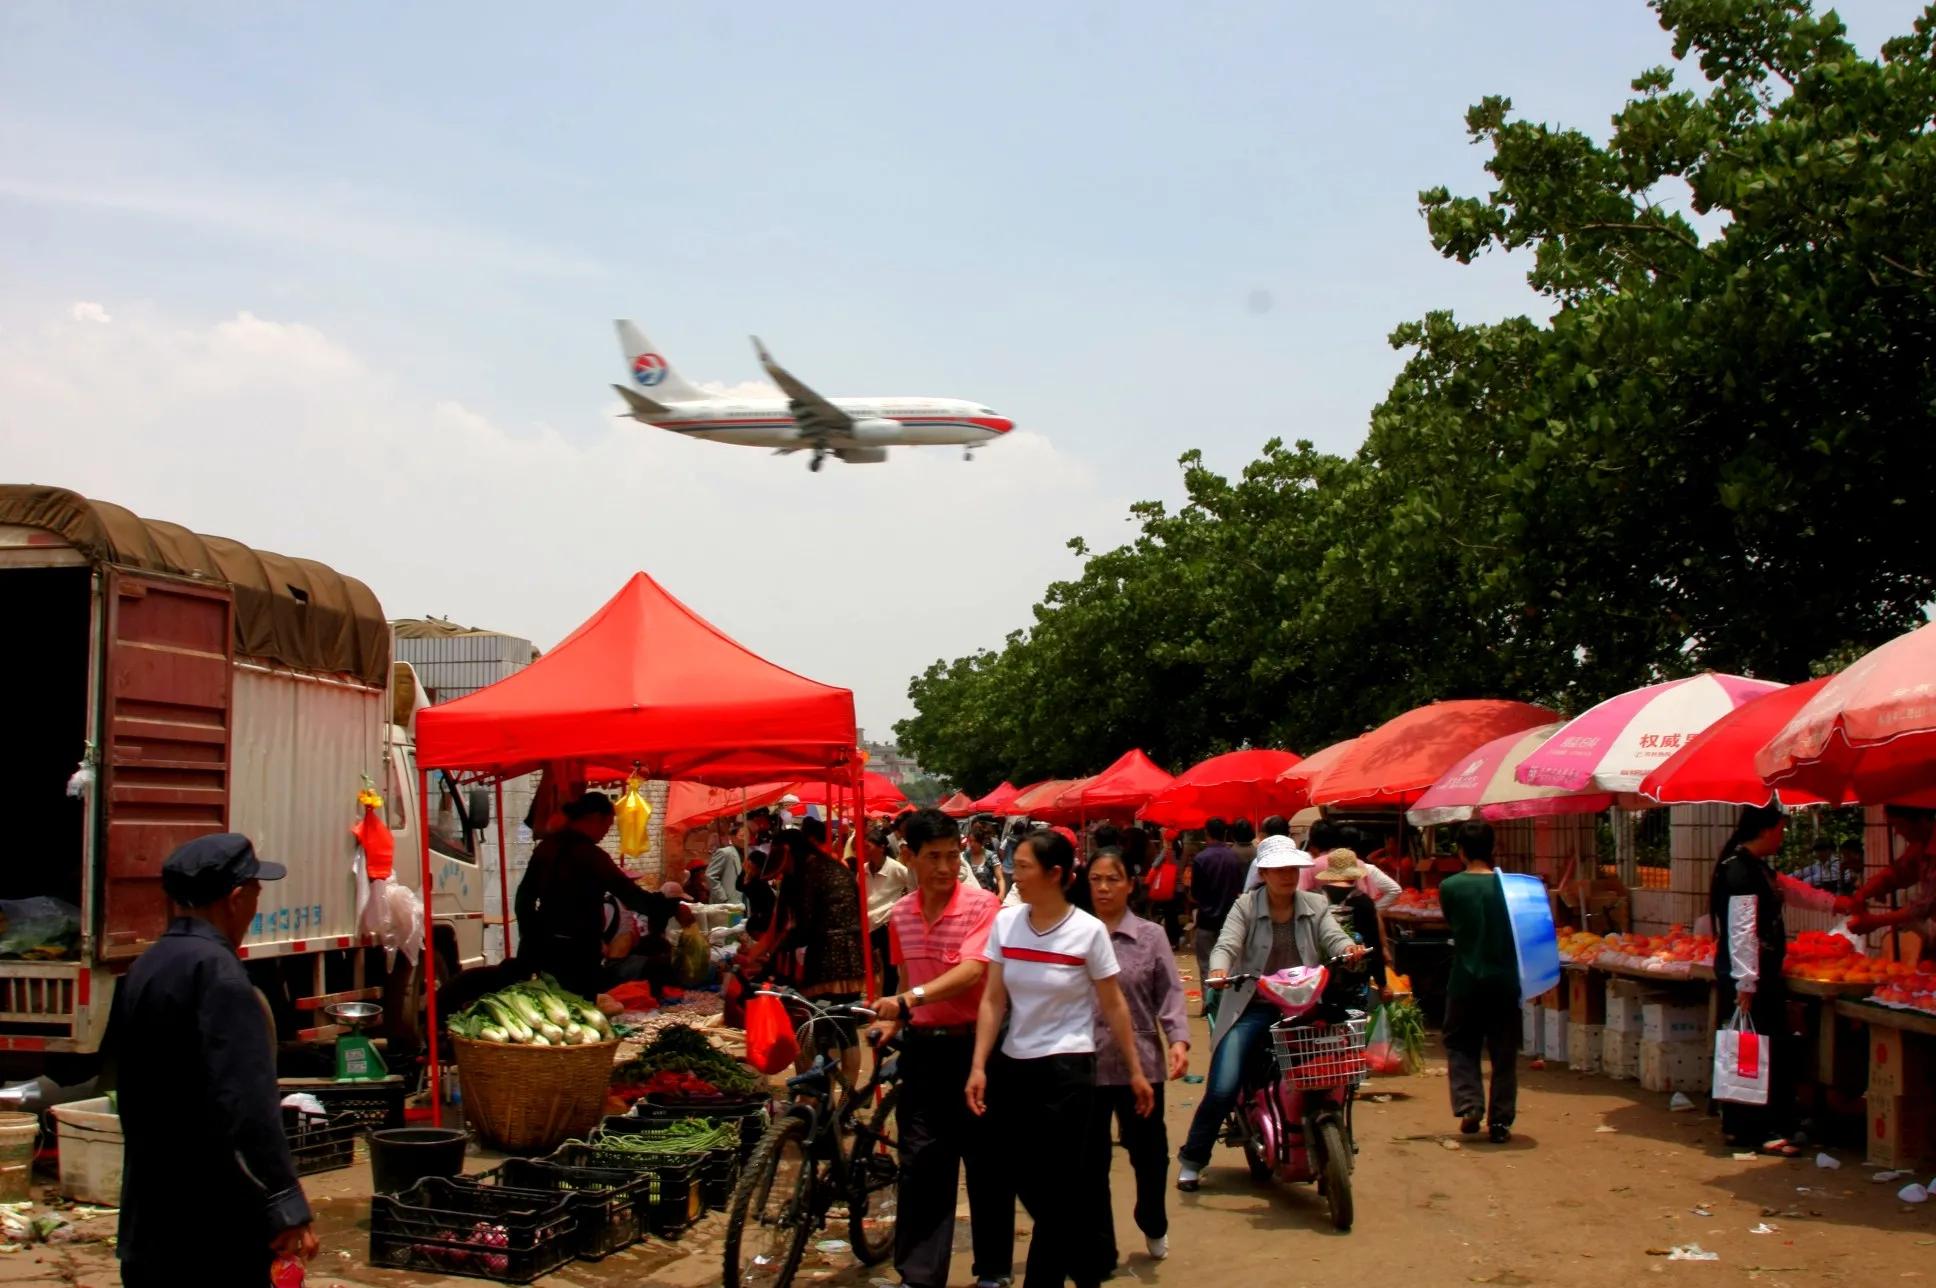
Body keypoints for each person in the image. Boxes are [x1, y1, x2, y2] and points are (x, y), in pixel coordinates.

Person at [105, 834, 318, 1286]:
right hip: (211, 1232)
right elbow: (248, 1107)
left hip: (149, 1224)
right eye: (256, 893)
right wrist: (285, 1204)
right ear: (235, 899)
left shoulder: (145, 967)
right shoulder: (221, 976)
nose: (256, 907)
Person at [967, 829, 1152, 1288]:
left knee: (1058, 1185)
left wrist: (1135, 1069)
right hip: (1014, 1066)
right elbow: (993, 999)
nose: (1014, 875)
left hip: (1068, 1071)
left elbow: (1113, 1004)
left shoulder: (1087, 931)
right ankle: (1088, 1265)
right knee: (1022, 1177)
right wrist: (979, 1065)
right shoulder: (1007, 924)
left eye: (1023, 867)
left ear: (1054, 874)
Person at [868, 809, 1014, 1288]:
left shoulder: (982, 906)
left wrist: (908, 1001)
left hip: (978, 1051)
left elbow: (972, 971)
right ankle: (920, 1275)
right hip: (923, 1053)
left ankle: (992, 1270)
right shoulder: (901, 915)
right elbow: (905, 977)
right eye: (933, 857)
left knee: (986, 1161)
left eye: (953, 855)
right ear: (909, 857)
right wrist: (892, 1020)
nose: (946, 867)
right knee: (921, 1163)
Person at [1176, 839, 1360, 1190]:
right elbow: (1226, 944)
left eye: (1292, 869)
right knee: (1223, 1087)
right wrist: (1219, 969)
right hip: (1254, 1007)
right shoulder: (1245, 906)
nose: (1287, 876)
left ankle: (1329, 1141)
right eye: (1278, 870)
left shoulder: (1316, 903)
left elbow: (1333, 936)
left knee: (1335, 1071)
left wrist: (1348, 948)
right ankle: (1193, 1160)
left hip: (1304, 1007)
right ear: (1263, 873)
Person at [1083, 849, 1188, 1273]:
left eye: (1113, 879)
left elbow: (1171, 991)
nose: (1104, 888)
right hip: (1085, 1064)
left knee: (1150, 1154)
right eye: (1096, 879)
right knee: (1090, 1163)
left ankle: (1153, 1219)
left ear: (1129, 885)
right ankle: (1099, 1250)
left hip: (1140, 1065)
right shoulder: (1075, 933)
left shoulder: (1151, 935)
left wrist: (1178, 1039)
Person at [1710, 804, 1836, 1155]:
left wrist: (1835, 904)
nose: (1782, 837)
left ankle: (1748, 1124)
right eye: (1780, 830)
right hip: (1748, 975)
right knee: (1753, 1050)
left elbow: (1791, 890)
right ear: (1764, 830)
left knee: (1752, 1048)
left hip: (1757, 972)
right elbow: (1741, 929)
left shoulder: (1756, 868)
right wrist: (1746, 982)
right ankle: (1755, 1127)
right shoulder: (1739, 871)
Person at [515, 791, 692, 999]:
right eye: (607, 827)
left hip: (546, 947)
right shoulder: (591, 856)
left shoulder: (545, 848)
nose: (605, 834)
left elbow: (523, 898)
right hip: (578, 952)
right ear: (594, 818)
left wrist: (530, 936)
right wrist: (671, 906)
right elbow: (632, 896)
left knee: (552, 1001)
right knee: (579, 1004)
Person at [1437, 822, 1523, 1144]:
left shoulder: (1450, 887)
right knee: (1504, 1051)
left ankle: (1470, 1103)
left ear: (1460, 851)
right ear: (1494, 848)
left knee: (1460, 1043)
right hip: (1505, 979)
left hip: (1465, 978)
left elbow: (1452, 923)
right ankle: (1500, 1121)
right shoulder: (1512, 888)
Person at [1841, 806, 1936, 961]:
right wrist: (1864, 892)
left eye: (1900, 825)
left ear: (1923, 820)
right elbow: (1899, 872)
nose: (1897, 832)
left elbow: (1926, 905)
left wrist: (1875, 922)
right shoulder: (1920, 846)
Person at [1312, 848, 1384, 1011]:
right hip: (1356, 975)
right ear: (1354, 875)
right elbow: (1374, 944)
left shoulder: (1316, 899)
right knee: (1354, 1018)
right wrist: (1382, 983)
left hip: (1322, 975)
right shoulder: (1363, 901)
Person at [1188, 818, 1247, 1018]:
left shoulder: (1201, 859)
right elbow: (1239, 887)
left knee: (1206, 964)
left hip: (1206, 918)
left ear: (1207, 834)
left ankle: (1209, 1004)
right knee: (1229, 963)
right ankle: (1227, 1005)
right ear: (1225, 834)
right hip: (1230, 919)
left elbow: (1195, 892)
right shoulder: (1234, 858)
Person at [863, 824, 913, 997]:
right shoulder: (863, 869)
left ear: (882, 847)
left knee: (889, 966)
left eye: (868, 847)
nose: (865, 850)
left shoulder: (895, 868)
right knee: (872, 967)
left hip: (886, 923)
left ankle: (889, 998)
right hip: (868, 924)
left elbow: (912, 885)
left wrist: (901, 906)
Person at [707, 820, 746, 905]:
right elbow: (710, 876)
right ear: (732, 837)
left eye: (747, 835)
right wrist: (723, 898)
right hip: (728, 901)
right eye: (742, 835)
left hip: (742, 900)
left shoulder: (746, 854)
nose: (745, 839)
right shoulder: (725, 853)